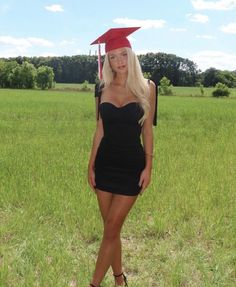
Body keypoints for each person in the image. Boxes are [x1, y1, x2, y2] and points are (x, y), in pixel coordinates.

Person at [88, 27, 157, 287]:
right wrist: (91, 165)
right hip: (104, 166)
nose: (119, 61)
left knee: (111, 229)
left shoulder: (147, 87)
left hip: (131, 168)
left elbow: (147, 130)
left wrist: (149, 166)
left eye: (123, 55)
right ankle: (119, 279)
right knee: (110, 229)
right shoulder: (101, 88)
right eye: (113, 56)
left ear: (131, 55)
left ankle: (93, 284)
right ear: (107, 60)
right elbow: (99, 129)